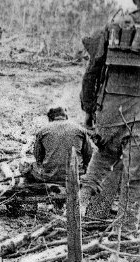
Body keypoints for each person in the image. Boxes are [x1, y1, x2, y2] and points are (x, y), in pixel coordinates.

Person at [79, 1, 140, 237]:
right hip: (137, 117)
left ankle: (75, 211)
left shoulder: (114, 25)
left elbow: (92, 71)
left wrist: (88, 111)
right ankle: (125, 231)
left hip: (109, 112)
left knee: (100, 162)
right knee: (135, 179)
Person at [21, 107, 93, 185]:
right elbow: (88, 154)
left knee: (26, 167)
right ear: (66, 116)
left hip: (50, 177)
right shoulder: (80, 129)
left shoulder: (43, 130)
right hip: (76, 176)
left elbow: (38, 156)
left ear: (50, 118)